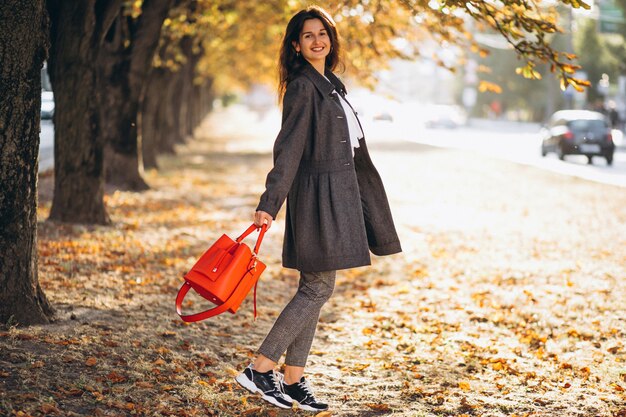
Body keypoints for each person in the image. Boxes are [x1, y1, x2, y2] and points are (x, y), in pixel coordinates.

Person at [235, 5, 402, 411]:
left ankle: (293, 379)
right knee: (317, 287)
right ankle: (260, 368)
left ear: (331, 39)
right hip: (316, 198)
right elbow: (288, 150)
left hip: (339, 194)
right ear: (296, 44)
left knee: (316, 286)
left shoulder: (331, 84)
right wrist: (269, 203)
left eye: (322, 33)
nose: (317, 40)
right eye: (308, 35)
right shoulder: (302, 87)